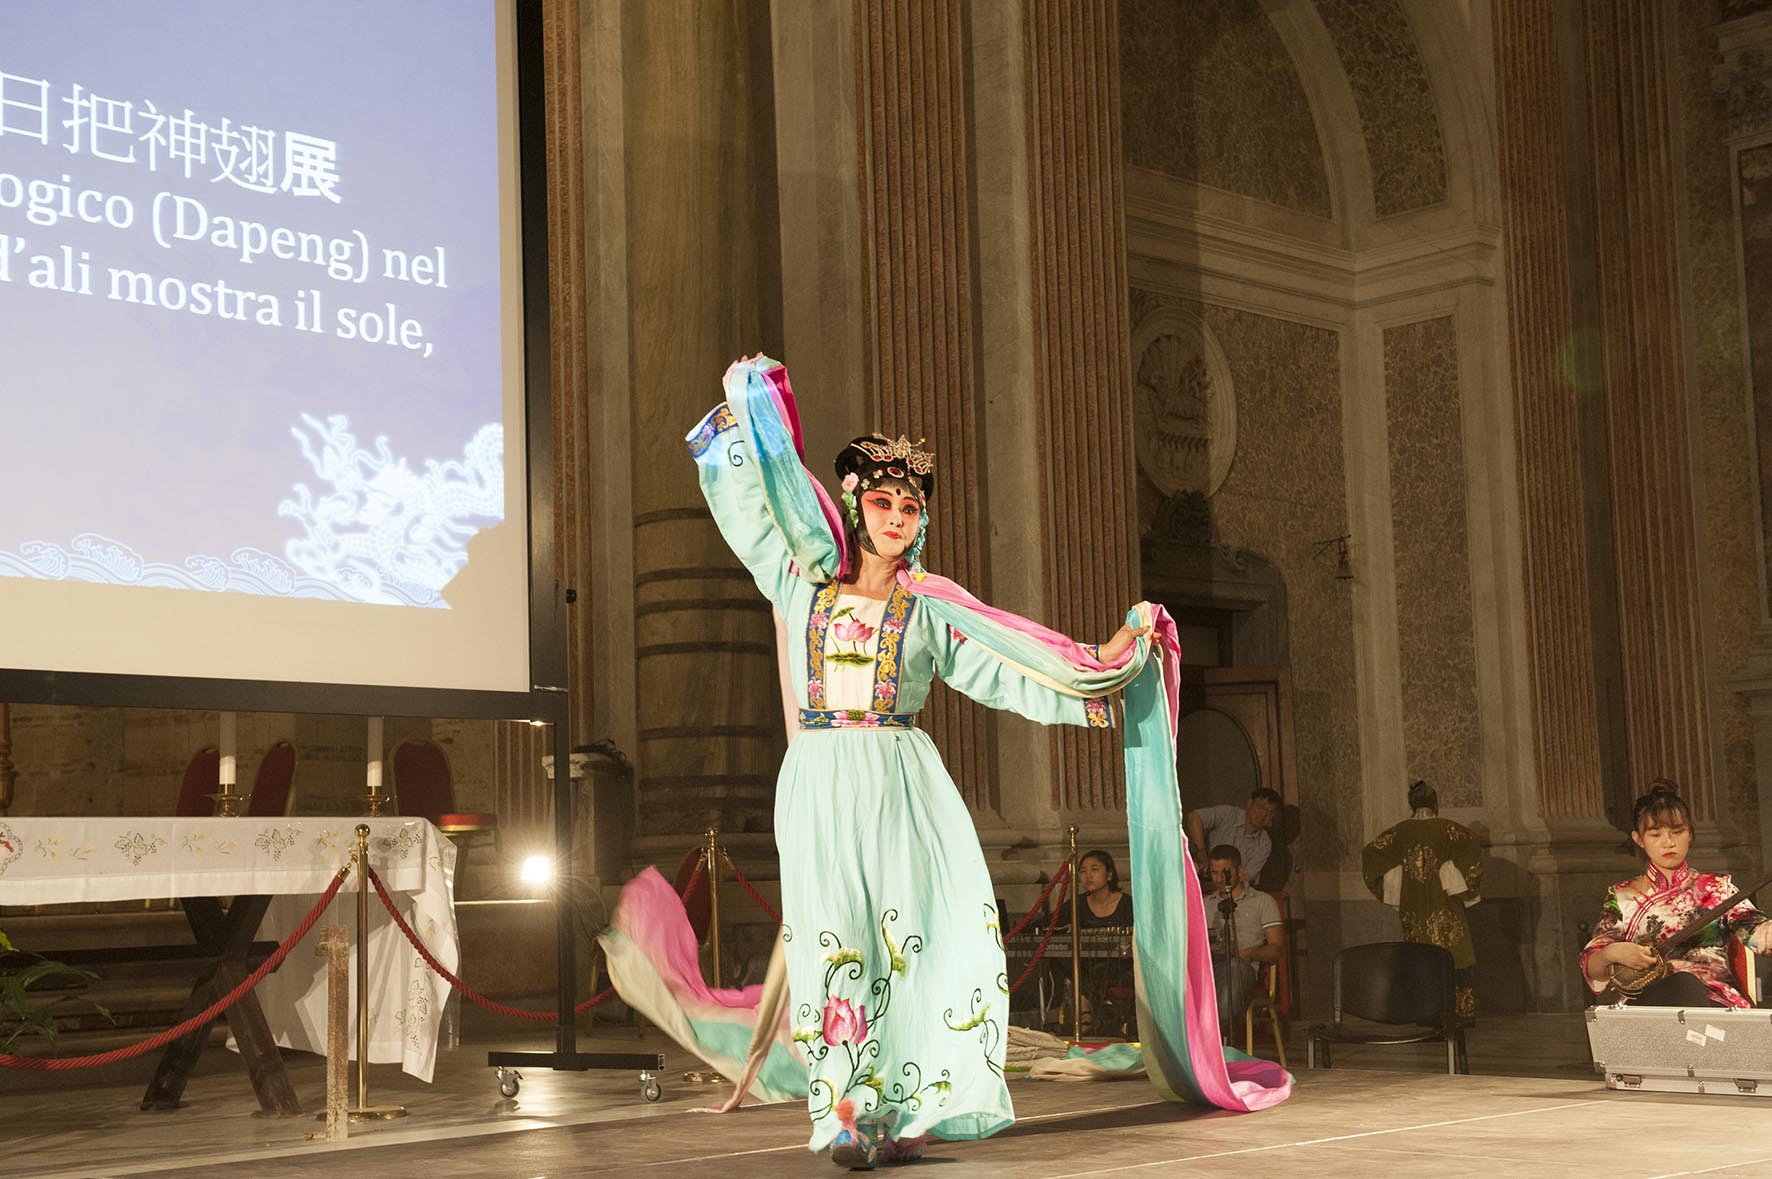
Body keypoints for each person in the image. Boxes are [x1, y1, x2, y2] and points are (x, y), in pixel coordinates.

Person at [681, 356, 1288, 1168]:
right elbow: (758, 512)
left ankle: (911, 1110)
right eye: (883, 500)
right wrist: (744, 418)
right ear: (856, 510)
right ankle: (848, 1113)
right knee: (837, 942)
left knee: (927, 939)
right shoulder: (803, 585)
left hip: (901, 780)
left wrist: (1096, 672)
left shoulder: (929, 604)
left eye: (910, 504)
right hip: (821, 781)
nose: (897, 515)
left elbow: (1004, 665)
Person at [1581, 781, 1772, 1009]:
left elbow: (1757, 930)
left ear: (1690, 833)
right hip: (1647, 1005)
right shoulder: (1623, 895)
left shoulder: (1718, 888)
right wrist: (1611, 953)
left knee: (1684, 984)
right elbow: (1592, 964)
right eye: (1655, 834)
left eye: (1677, 831)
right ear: (1638, 839)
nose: (1668, 842)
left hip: (1711, 1001)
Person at [1361, 779, 1484, 1020]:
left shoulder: (1399, 832)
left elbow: (1371, 854)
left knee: (1421, 956)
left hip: (1414, 905)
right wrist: (1452, 874)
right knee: (1454, 955)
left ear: (1412, 804)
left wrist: (1399, 878)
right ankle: (1459, 1012)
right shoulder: (1450, 829)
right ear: (1435, 803)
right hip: (1445, 904)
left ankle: (1427, 1015)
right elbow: (1472, 847)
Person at [1202, 845, 1282, 1040]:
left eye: (1225, 872)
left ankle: (1208, 1036)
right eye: (1214, 873)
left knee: (1233, 969)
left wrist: (1249, 953)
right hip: (1209, 967)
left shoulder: (1262, 901)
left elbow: (1277, 948)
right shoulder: (1205, 903)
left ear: (1239, 871)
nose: (1219, 879)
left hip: (1243, 965)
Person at [1185, 788, 1281, 883]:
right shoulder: (1228, 814)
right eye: (1260, 807)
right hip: (1203, 880)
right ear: (1249, 803)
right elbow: (1194, 817)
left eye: (1270, 812)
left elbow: (1246, 878)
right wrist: (1201, 851)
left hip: (1234, 889)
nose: (1263, 814)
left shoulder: (1265, 843)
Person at [1072, 849, 1133, 928]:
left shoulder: (1128, 905)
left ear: (1109, 875)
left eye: (1094, 869)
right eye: (1083, 871)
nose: (1088, 876)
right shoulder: (1076, 904)